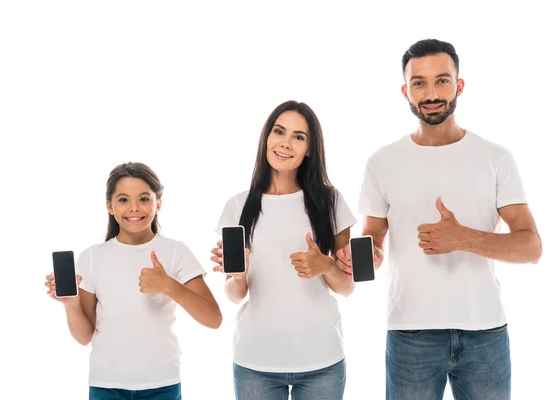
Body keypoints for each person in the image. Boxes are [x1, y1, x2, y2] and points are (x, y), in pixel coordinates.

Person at [336, 39, 542, 400]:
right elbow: (373, 239)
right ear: (405, 91)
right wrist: (360, 257)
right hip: (410, 334)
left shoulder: (495, 157)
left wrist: (463, 238)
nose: (431, 93)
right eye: (419, 83)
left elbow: (532, 247)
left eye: (442, 81)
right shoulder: (382, 162)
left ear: (459, 85)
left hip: (485, 333)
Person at [212, 100, 357, 400]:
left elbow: (346, 287)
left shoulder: (330, 202)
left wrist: (326, 266)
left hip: (322, 360)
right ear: (266, 137)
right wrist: (238, 275)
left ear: (310, 150)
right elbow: (234, 294)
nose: (285, 143)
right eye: (279, 131)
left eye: (299, 137)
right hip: (256, 362)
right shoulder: (237, 207)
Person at [45, 162, 222, 400]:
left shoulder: (175, 251)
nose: (134, 208)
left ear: (158, 203)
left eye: (144, 199)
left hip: (162, 384)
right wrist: (70, 304)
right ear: (110, 206)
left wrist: (169, 286)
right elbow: (84, 336)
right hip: (106, 385)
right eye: (123, 200)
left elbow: (214, 319)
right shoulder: (92, 257)